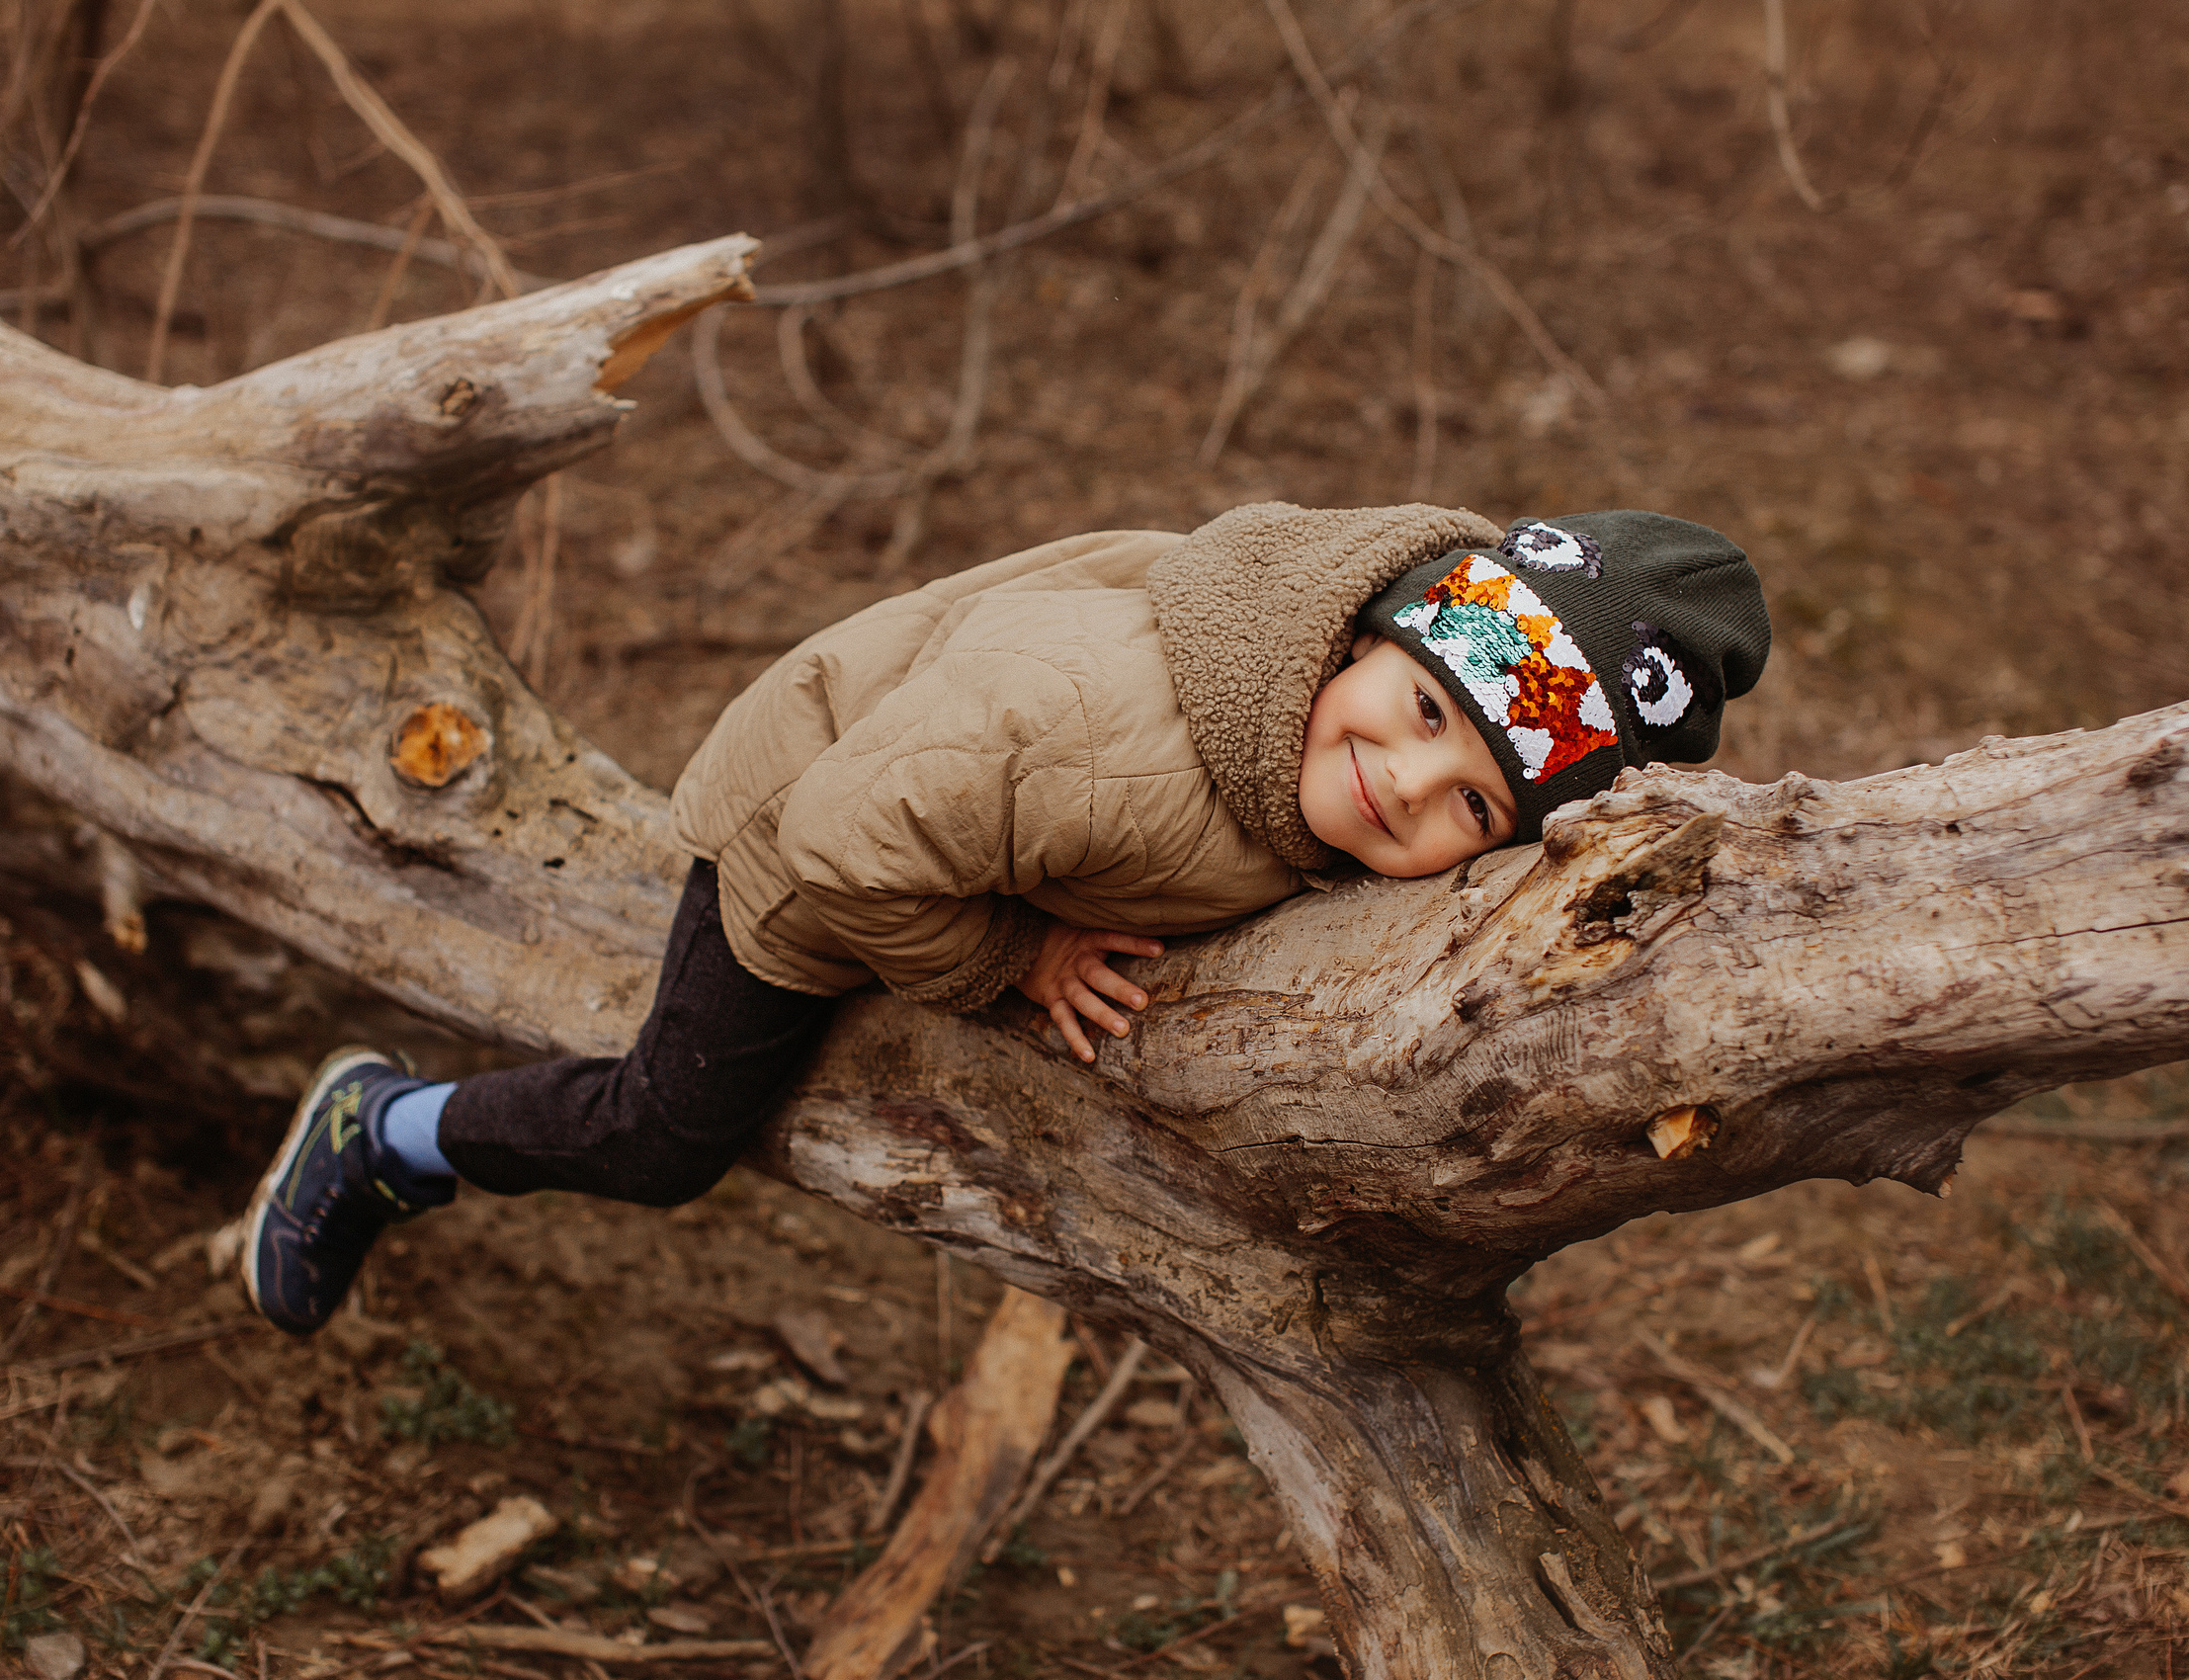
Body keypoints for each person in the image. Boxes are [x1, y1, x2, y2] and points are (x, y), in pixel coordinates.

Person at [241, 502, 1769, 1336]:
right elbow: (852, 840)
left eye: (1474, 807)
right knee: (664, 1137)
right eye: (1426, 705)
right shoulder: (1099, 722)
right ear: (1374, 628)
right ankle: (389, 1131)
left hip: (961, 822)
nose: (1405, 781)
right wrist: (1009, 960)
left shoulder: (1289, 725)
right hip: (810, 850)